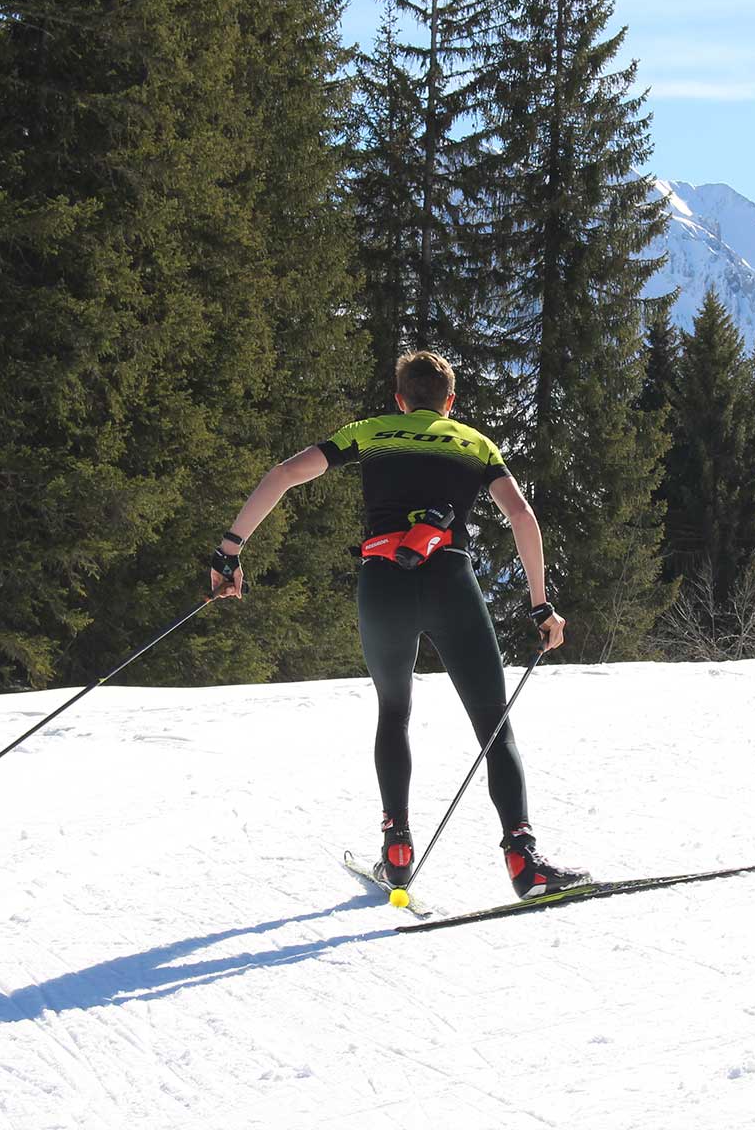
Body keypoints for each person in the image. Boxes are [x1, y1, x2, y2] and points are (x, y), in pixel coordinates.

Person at [209, 350, 584, 898]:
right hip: (451, 582)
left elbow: (287, 474)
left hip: (382, 583)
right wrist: (539, 604)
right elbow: (521, 515)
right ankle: (524, 861)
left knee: (394, 712)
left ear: (399, 399)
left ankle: (398, 848)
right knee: (493, 724)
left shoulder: (372, 431)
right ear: (449, 403)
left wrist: (230, 550)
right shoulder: (473, 442)